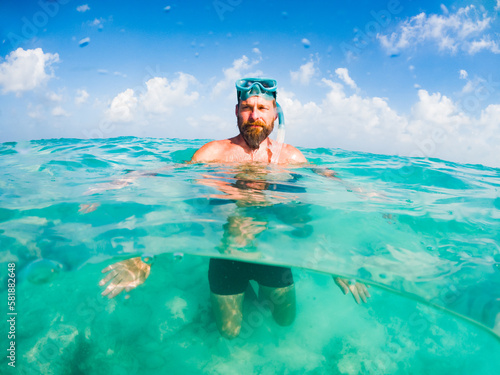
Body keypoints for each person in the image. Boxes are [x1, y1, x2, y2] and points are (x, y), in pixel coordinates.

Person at [99, 77, 371, 339]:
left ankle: (258, 295)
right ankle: (245, 296)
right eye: (247, 108)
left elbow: (304, 216)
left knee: (284, 321)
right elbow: (181, 203)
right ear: (237, 112)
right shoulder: (212, 154)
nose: (254, 116)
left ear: (276, 114)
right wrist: (146, 254)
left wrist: (337, 257)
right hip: (225, 254)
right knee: (229, 334)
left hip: (273, 253)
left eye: (263, 108)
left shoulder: (290, 158)